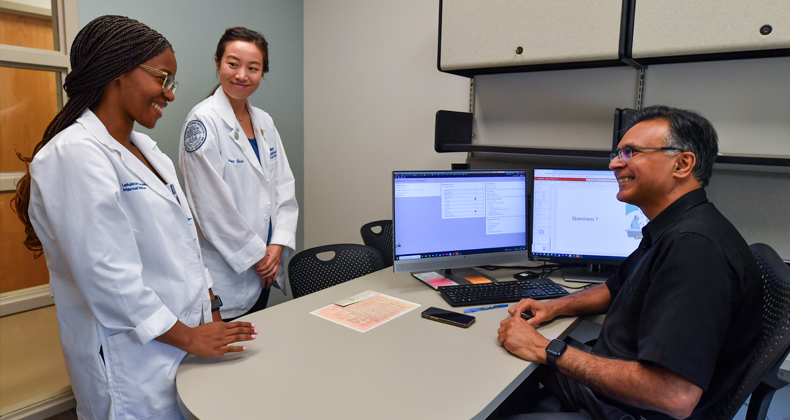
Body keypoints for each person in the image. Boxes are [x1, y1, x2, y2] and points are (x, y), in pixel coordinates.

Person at [12, 16, 256, 420]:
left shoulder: (148, 150)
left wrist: (210, 311)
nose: (170, 94)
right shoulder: (74, 154)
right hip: (132, 366)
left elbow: (186, 246)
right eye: (163, 78)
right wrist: (189, 337)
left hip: (179, 346)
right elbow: (109, 278)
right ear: (118, 72)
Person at [496, 106, 762, 420]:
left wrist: (547, 349)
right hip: (609, 385)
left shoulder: (695, 249)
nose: (613, 164)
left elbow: (674, 395)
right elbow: (618, 286)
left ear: (682, 163)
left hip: (626, 410)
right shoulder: (674, 228)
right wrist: (555, 307)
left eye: (630, 152)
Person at [179, 27, 298, 320]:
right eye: (233, 64)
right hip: (229, 274)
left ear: (262, 73)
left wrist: (277, 245)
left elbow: (284, 186)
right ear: (218, 62)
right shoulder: (203, 123)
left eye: (253, 68)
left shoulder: (264, 122)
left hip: (265, 265)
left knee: (259, 339)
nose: (242, 75)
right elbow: (210, 209)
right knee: (230, 352)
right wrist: (260, 257)